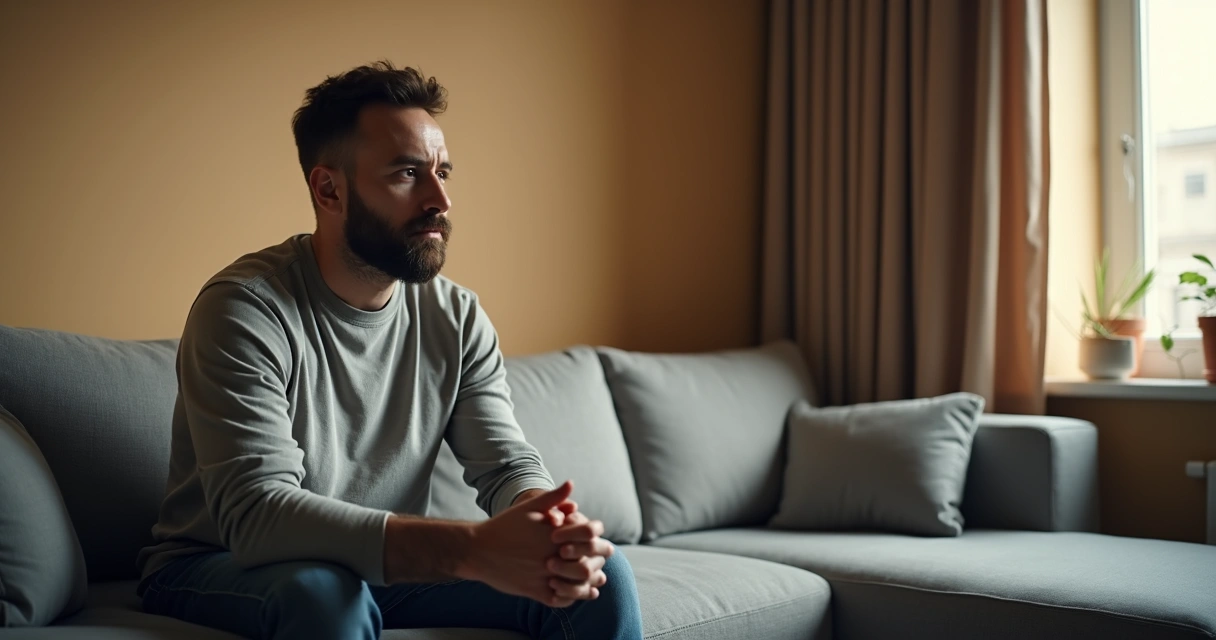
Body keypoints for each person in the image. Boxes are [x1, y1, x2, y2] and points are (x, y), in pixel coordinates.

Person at [135, 61, 644, 640]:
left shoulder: (457, 316)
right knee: (325, 595)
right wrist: (471, 549)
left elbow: (504, 464)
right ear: (329, 188)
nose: (440, 200)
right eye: (407, 173)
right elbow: (258, 516)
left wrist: (548, 527)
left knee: (601, 577)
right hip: (219, 564)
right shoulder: (245, 309)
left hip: (379, 573)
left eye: (443, 172)